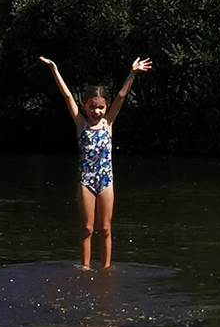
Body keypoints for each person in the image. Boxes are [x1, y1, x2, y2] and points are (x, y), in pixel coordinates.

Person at [39, 55, 153, 270]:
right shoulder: (81, 124)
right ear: (85, 106)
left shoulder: (108, 123)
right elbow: (66, 96)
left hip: (106, 181)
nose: (97, 111)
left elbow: (121, 97)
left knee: (106, 228)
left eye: (101, 107)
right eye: (92, 107)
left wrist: (133, 73)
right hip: (86, 182)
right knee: (88, 228)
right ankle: (85, 268)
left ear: (105, 107)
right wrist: (54, 69)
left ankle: (106, 269)